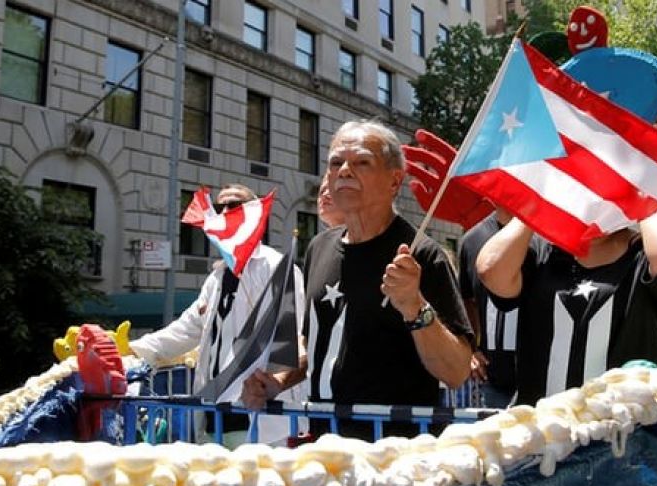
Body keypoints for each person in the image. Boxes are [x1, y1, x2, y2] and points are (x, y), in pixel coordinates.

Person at [241, 120, 473, 439]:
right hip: (326, 447)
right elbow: (314, 341)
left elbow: (458, 371)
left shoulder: (423, 256)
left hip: (395, 454)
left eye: (362, 162)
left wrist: (414, 306)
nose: (345, 171)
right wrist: (278, 381)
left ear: (395, 181)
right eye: (336, 163)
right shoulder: (319, 248)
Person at [129, 184, 307, 446]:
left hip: (262, 419)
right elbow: (186, 329)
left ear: (255, 215)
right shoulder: (217, 277)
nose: (224, 212)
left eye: (234, 206)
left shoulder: (277, 268)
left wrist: (273, 384)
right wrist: (129, 350)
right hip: (214, 417)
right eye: (220, 207)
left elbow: (292, 338)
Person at [477, 207, 657, 405]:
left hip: (622, 434)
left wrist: (640, 192)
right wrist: (534, 203)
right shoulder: (540, 252)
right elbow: (491, 270)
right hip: (545, 433)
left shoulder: (640, 253)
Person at [457, 205, 520, 407]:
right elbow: (465, 300)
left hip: (542, 379)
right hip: (494, 381)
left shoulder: (546, 236)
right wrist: (471, 349)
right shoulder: (472, 240)